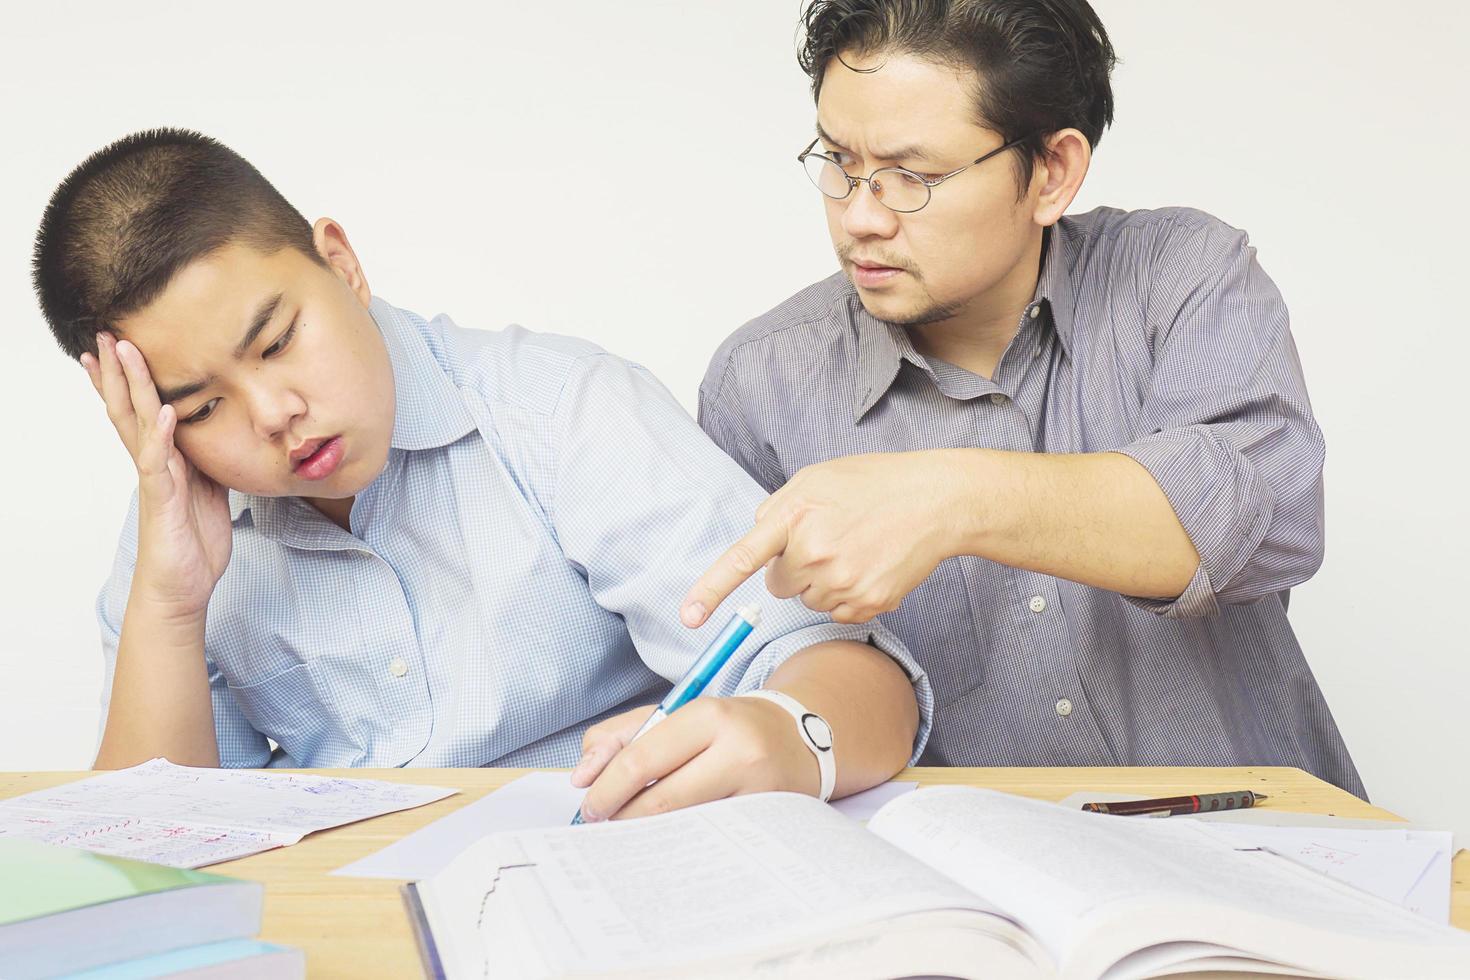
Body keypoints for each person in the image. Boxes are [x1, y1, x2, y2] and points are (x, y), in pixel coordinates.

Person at [32, 129, 931, 821]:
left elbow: (864, 684)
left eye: (276, 342)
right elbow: (153, 849)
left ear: (341, 265)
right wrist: (170, 606)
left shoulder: (559, 412)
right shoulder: (175, 542)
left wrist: (786, 732)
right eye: (197, 407)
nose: (271, 414)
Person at [688, 0, 1363, 795]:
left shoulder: (1180, 275)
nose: (860, 216)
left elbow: (1263, 514)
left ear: (1052, 172)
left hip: (1269, 849)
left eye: (912, 176)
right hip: (972, 893)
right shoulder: (760, 385)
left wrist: (949, 500)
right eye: (838, 162)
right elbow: (773, 668)